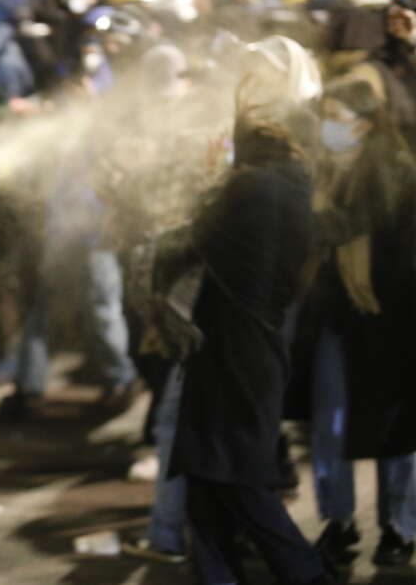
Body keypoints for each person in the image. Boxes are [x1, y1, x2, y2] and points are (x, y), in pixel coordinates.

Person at [170, 117, 331, 585]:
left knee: (235, 478)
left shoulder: (252, 190)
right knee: (207, 476)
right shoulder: (294, 185)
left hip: (233, 347)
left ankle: (306, 574)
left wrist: (211, 179)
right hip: (247, 344)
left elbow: (196, 235)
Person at [303, 78, 416, 567]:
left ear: (365, 123)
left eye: (336, 116)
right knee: (330, 422)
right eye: (324, 115)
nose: (328, 127)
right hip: (336, 313)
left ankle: (399, 526)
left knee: (395, 428)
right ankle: (339, 519)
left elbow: (362, 230)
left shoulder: (395, 172)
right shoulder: (325, 170)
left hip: (390, 316)